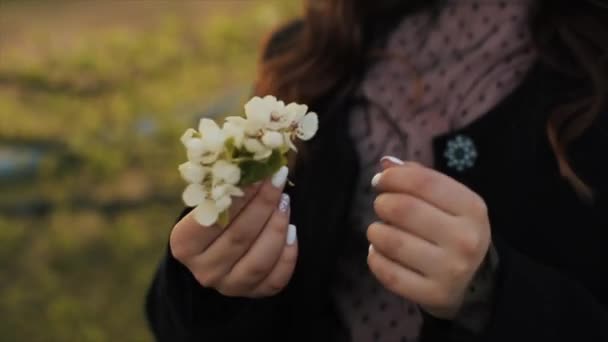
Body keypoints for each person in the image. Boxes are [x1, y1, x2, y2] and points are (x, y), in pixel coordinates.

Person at [145, 1, 608, 341]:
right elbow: (179, 323)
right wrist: (208, 287)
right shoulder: (306, 57)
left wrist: (494, 292)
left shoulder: (592, 62)